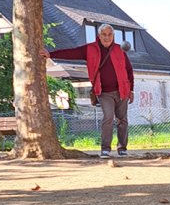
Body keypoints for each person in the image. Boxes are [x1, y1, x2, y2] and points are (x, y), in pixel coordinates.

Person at [46, 24, 134, 157]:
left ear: (113, 36)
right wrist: (50, 54)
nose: (107, 37)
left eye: (109, 34)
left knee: (122, 120)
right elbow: (71, 52)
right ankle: (105, 149)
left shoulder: (119, 49)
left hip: (122, 91)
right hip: (104, 92)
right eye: (104, 34)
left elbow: (129, 70)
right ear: (99, 36)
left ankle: (122, 148)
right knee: (108, 117)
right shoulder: (90, 49)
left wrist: (131, 90)